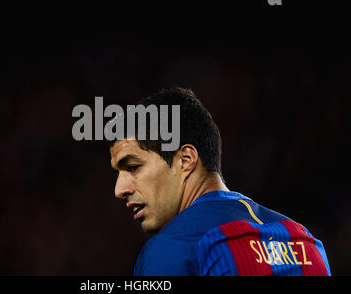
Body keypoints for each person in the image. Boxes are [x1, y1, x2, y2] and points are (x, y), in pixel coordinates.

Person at [108, 87, 331, 276]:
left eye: (133, 167)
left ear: (185, 160)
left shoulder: (174, 249)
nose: (120, 189)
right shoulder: (306, 242)